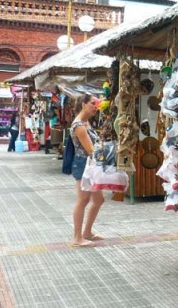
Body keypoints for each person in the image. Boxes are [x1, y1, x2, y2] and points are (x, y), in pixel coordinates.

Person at [70, 94, 102, 247]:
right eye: (92, 103)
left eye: (97, 103)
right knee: (83, 200)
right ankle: (77, 237)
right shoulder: (79, 126)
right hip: (84, 164)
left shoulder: (86, 122)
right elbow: (91, 149)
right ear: (83, 104)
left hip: (91, 164)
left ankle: (87, 232)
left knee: (99, 199)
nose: (96, 106)